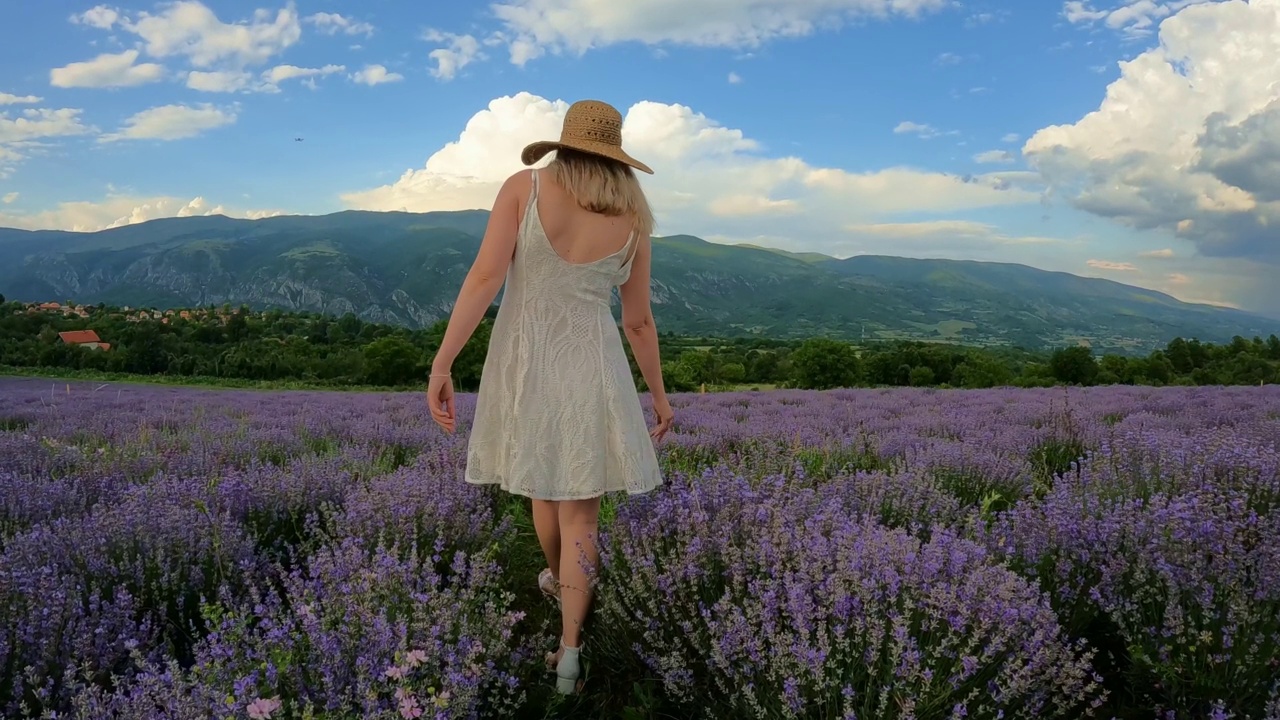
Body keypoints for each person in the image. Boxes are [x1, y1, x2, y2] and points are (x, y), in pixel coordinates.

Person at [425, 99, 674, 695]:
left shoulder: (525, 186)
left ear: (562, 143)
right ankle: (569, 654)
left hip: (528, 361)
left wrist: (443, 362)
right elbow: (638, 323)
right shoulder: (634, 218)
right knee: (582, 508)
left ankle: (560, 581)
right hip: (594, 367)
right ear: (618, 155)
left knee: (542, 484)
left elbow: (484, 277)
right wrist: (660, 399)